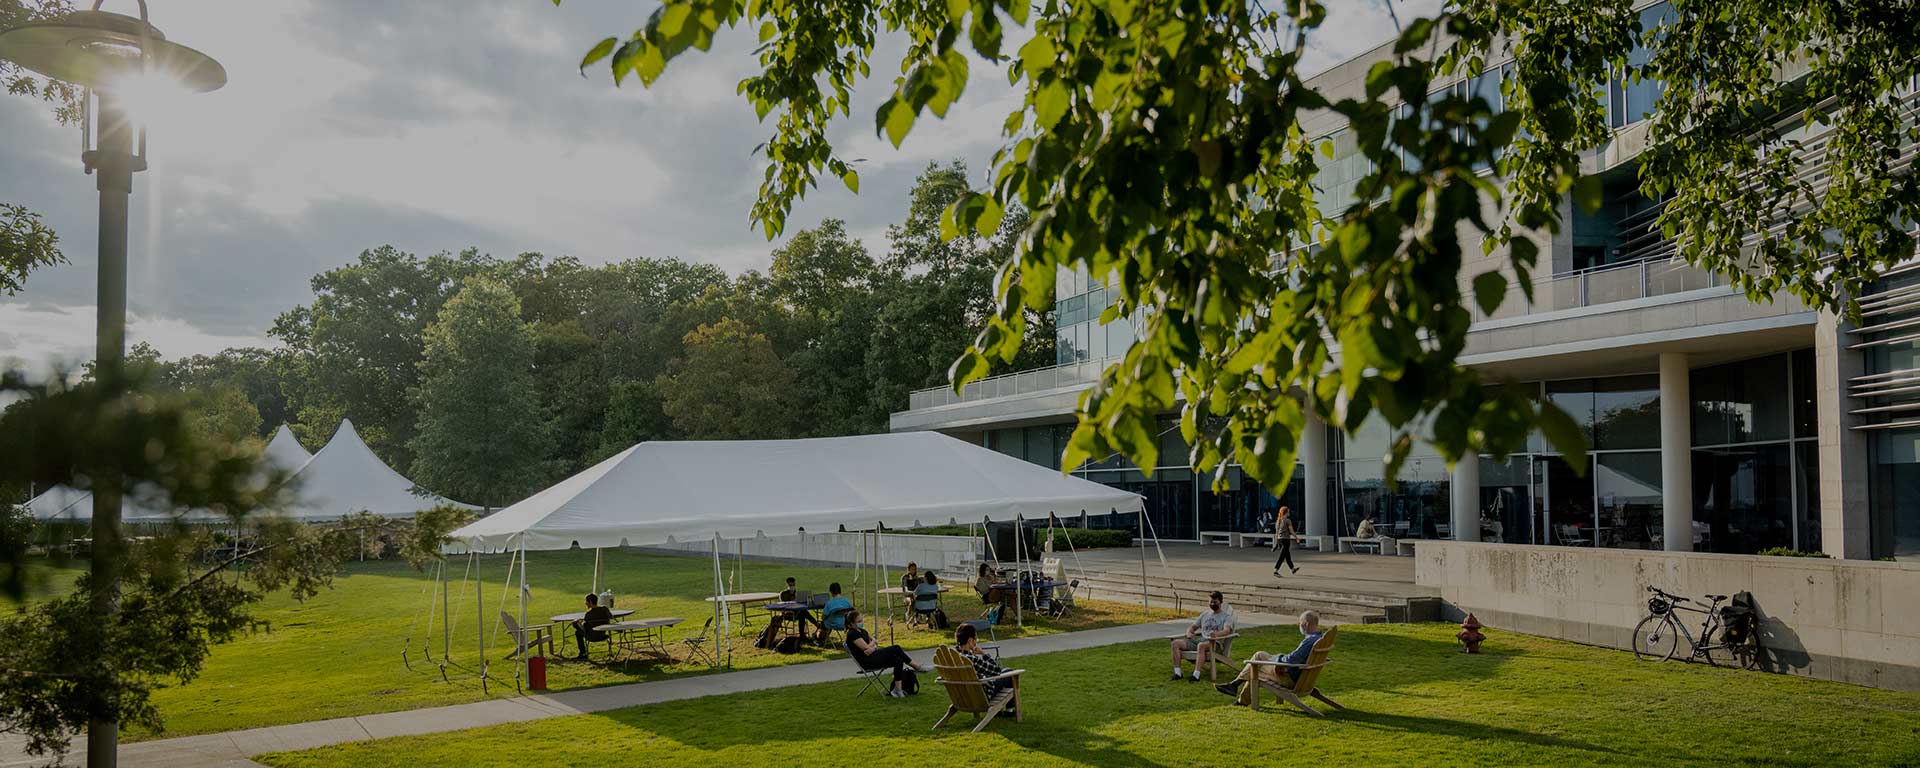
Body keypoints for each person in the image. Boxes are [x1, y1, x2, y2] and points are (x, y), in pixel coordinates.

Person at [1215, 610, 1326, 704]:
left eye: (1300, 623)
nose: (1299, 626)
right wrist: (1278, 658)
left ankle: (1239, 697)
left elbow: (1292, 660)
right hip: (1301, 675)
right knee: (1259, 654)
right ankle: (1234, 685)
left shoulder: (1309, 641)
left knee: (1255, 670)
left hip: (1290, 678)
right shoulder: (1319, 638)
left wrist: (1277, 659)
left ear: (1305, 624)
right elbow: (1296, 658)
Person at [845, 609, 930, 698]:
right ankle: (917, 666)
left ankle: (898, 690)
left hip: (873, 656)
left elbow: (872, 645)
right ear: (850, 624)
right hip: (867, 661)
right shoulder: (852, 634)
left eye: (861, 620)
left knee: (898, 660)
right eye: (858, 621)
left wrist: (872, 646)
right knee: (896, 648)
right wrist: (873, 644)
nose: (861, 622)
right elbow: (866, 648)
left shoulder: (863, 631)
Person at [1169, 591, 1235, 682]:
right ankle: (1178, 673)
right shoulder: (1205, 615)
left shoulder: (1226, 617)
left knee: (1201, 645)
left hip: (1215, 643)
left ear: (1221, 602)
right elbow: (1192, 627)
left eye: (1215, 602)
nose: (1212, 604)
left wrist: (1216, 634)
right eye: (1211, 602)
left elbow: (1227, 630)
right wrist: (1189, 633)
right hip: (1200, 640)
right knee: (1175, 643)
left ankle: (1196, 675)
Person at [953, 622, 1012, 699]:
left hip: (963, 696)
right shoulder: (970, 659)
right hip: (982, 695)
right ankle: (1010, 710)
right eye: (975, 639)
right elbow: (996, 671)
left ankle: (1000, 711)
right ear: (970, 640)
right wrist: (983, 654)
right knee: (1009, 672)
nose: (976, 641)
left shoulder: (954, 656)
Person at [571, 592, 614, 660]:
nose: (585, 603)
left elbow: (585, 629)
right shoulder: (604, 609)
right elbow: (611, 617)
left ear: (590, 602)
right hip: (602, 635)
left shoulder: (588, 614)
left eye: (586, 601)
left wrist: (576, 623)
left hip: (592, 637)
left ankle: (583, 653)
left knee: (577, 632)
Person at [1272, 506, 1299, 577]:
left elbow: (1276, 533)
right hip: (1286, 541)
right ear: (1286, 512)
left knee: (1287, 556)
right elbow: (1291, 531)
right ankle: (1275, 570)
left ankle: (1293, 569)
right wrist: (1296, 537)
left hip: (1280, 540)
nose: (1289, 513)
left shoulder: (1278, 521)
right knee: (1282, 556)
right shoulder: (1288, 520)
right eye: (1288, 511)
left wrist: (1276, 543)